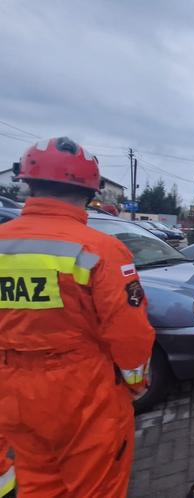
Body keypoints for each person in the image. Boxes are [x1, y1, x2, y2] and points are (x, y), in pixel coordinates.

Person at [0, 137, 155, 497]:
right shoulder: (101, 250)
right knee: (96, 485)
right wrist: (135, 384)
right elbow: (130, 332)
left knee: (38, 482)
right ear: (89, 190)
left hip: (12, 389)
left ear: (28, 182)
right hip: (82, 393)